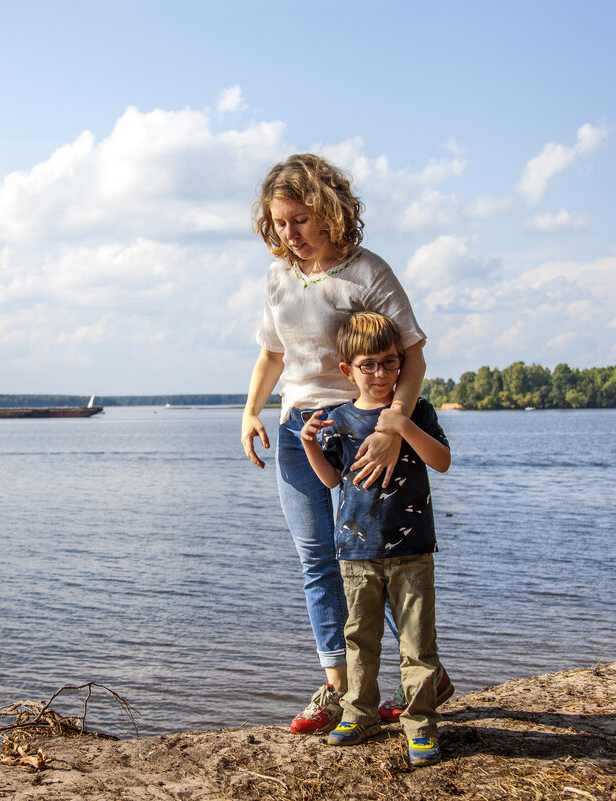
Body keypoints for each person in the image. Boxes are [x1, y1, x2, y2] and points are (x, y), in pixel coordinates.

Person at [240, 153, 452, 735]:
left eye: (302, 220)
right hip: (298, 432)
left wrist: (390, 426)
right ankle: (340, 688)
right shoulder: (279, 276)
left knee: (376, 558)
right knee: (317, 559)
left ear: (331, 212)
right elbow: (272, 354)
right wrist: (251, 411)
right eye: (280, 222)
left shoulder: (369, 273)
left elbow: (412, 353)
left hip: (362, 433)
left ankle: (421, 676)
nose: (290, 233)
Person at [299, 311, 450, 766]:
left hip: (412, 551)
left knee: (416, 642)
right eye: (369, 365)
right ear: (348, 370)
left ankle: (419, 722)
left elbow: (440, 461)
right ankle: (359, 712)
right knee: (360, 638)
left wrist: (401, 425)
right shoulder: (340, 418)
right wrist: (309, 443)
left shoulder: (416, 410)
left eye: (390, 363)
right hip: (357, 553)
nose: (381, 374)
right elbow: (330, 480)